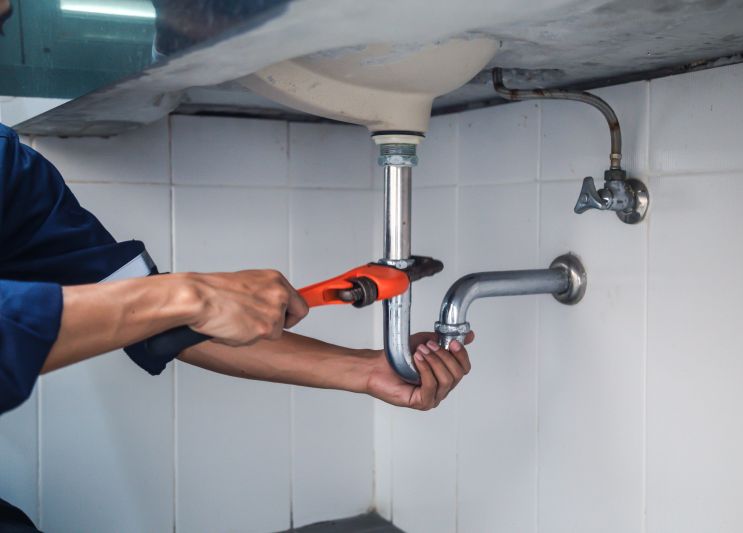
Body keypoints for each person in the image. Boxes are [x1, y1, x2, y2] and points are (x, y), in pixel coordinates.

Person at [0, 3, 473, 531]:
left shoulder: (7, 168)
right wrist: (184, 297)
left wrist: (365, 369)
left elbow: (146, 318)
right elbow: (150, 308)